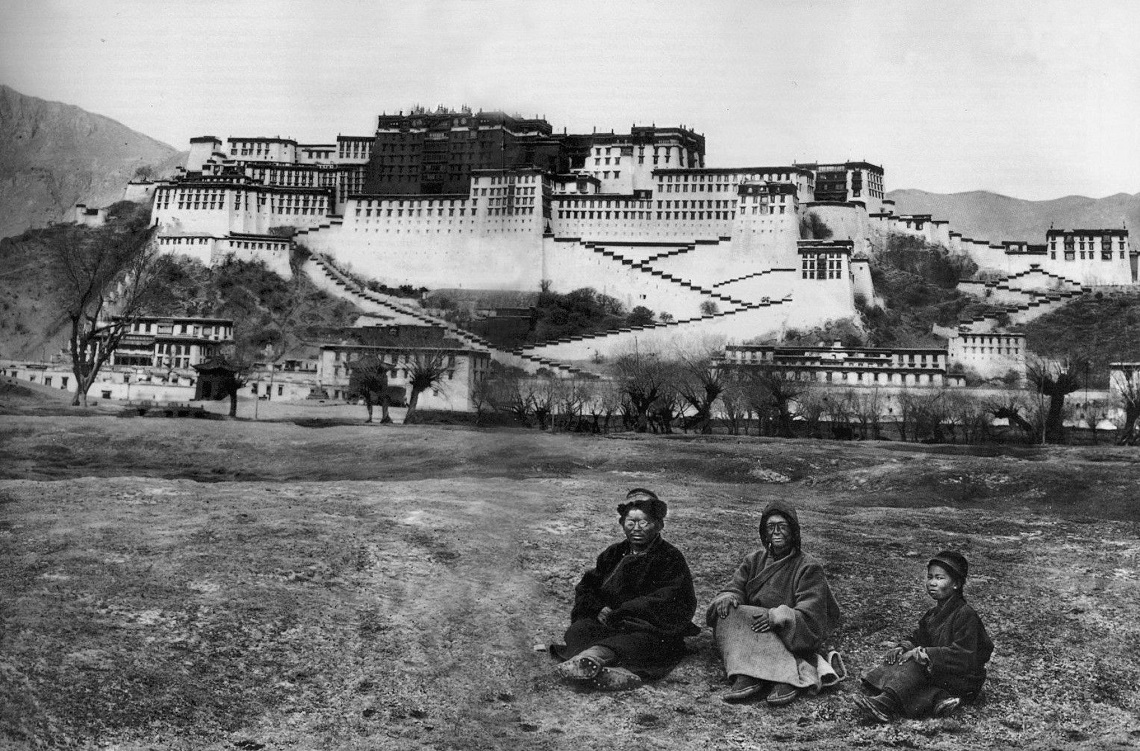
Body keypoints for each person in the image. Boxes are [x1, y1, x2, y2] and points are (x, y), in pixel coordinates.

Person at [550, 488, 700, 690]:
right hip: (609, 622)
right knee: (579, 630)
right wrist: (598, 608)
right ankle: (606, 669)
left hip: (646, 625)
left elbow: (672, 597)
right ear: (622, 524)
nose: (636, 528)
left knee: (646, 643)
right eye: (631, 522)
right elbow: (587, 587)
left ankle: (591, 659)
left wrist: (627, 611)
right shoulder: (613, 553)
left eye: (644, 522)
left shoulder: (670, 557)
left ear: (659, 525)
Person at [706, 500, 844, 705]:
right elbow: (735, 588)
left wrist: (778, 616)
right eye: (771, 527)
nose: (776, 532)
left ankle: (785, 676)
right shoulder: (753, 560)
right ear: (764, 532)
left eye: (783, 526)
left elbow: (811, 614)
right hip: (754, 627)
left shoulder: (808, 567)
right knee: (725, 612)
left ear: (794, 531)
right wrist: (729, 597)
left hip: (785, 631)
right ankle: (748, 675)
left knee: (778, 627)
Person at [853, 550, 994, 722]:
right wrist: (903, 647)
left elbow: (965, 656)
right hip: (942, 673)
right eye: (930, 577)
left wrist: (926, 653)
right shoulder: (932, 614)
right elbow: (918, 637)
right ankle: (939, 698)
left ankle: (885, 704)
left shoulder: (965, 615)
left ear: (956, 583)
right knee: (901, 660)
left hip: (963, 678)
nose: (932, 583)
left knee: (915, 665)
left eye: (940, 578)